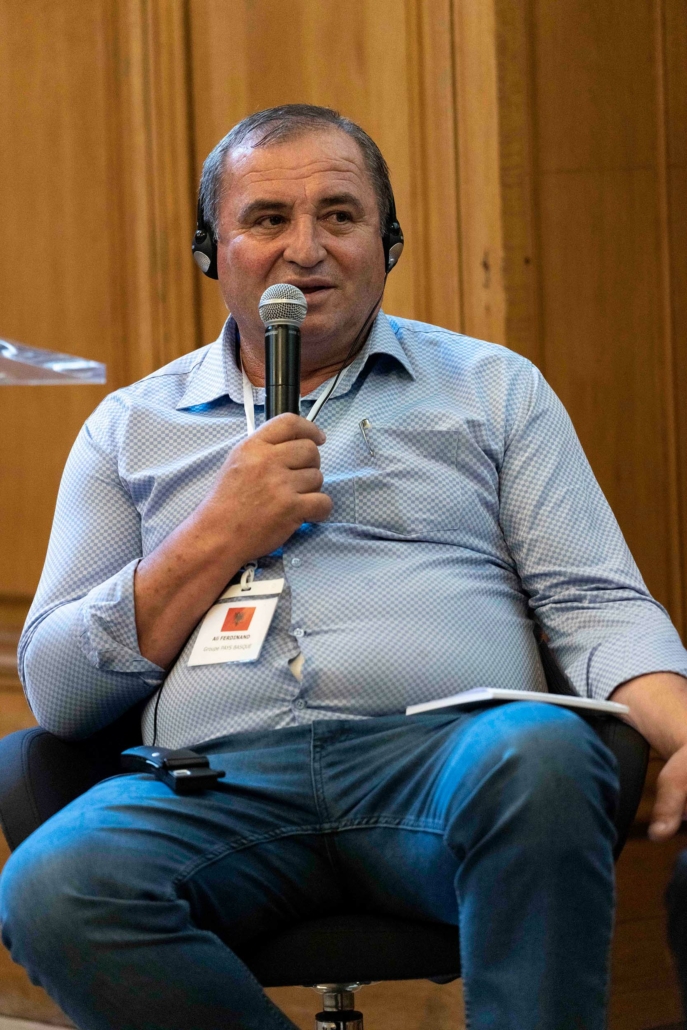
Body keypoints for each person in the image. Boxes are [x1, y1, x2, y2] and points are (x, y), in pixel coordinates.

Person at [1, 103, 687, 1030]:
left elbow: (593, 603)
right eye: (267, 219)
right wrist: (216, 533)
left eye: (338, 214)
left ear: (387, 242)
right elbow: (58, 692)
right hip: (214, 787)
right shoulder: (128, 427)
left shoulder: (492, 390)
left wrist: (683, 729)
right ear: (211, 251)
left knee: (541, 750)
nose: (305, 249)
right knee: (55, 886)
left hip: (447, 765)